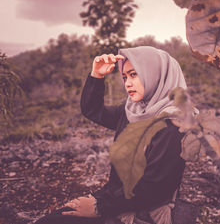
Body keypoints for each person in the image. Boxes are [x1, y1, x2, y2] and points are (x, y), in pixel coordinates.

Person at [34, 46, 189, 224]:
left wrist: (99, 207)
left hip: (141, 212)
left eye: (134, 74)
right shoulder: (133, 111)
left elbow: (153, 188)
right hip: (114, 198)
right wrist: (96, 76)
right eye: (125, 77)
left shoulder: (173, 124)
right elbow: (93, 111)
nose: (128, 83)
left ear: (156, 75)